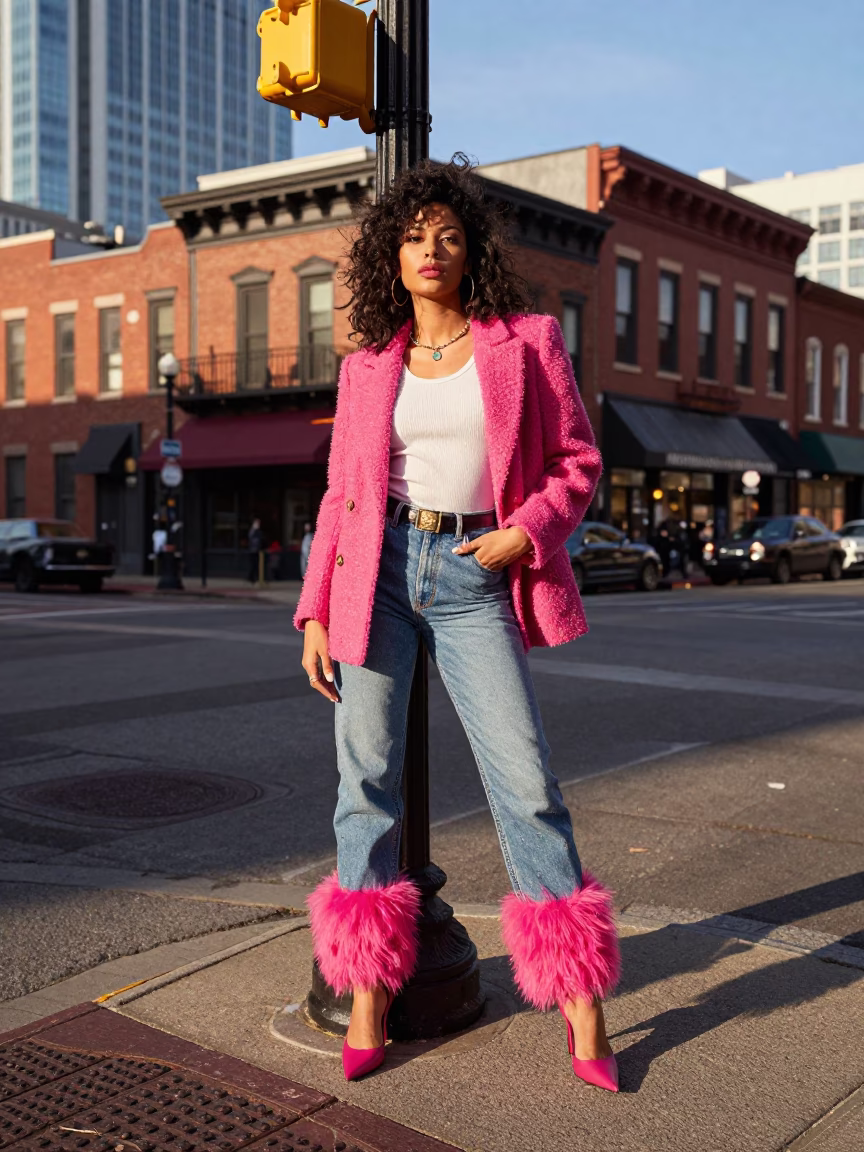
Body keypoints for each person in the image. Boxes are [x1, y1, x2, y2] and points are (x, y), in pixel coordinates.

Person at [294, 155, 619, 1091]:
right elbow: (339, 499)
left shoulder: (526, 341)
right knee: (366, 779)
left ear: (468, 249)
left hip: (478, 571)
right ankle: (366, 991)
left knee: (525, 782)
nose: (429, 248)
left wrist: (527, 532)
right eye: (411, 235)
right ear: (389, 257)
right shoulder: (367, 367)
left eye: (446, 233)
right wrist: (315, 606)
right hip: (378, 575)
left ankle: (582, 1000)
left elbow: (578, 463)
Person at [247, 518, 263, 583]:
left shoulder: (258, 532)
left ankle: (253, 577)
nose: (258, 525)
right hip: (253, 551)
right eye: (257, 523)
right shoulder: (253, 531)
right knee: (254, 564)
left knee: (256, 565)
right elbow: (252, 539)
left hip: (256, 550)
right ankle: (251, 577)